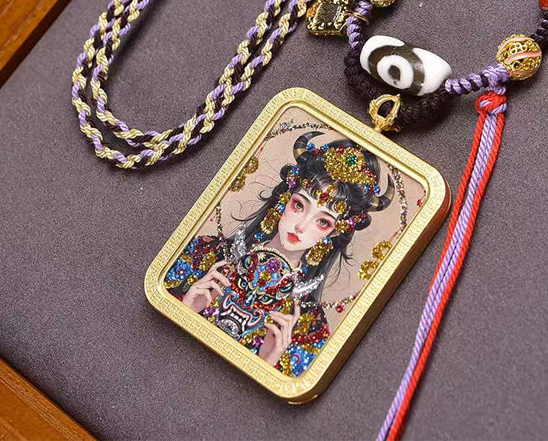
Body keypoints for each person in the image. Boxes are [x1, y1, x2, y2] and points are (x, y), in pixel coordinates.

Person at [165, 131, 393, 376]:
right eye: (299, 205)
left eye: (323, 222)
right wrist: (184, 310)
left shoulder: (307, 325)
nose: (301, 226)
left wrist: (267, 363)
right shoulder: (204, 254)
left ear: (335, 232)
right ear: (286, 198)